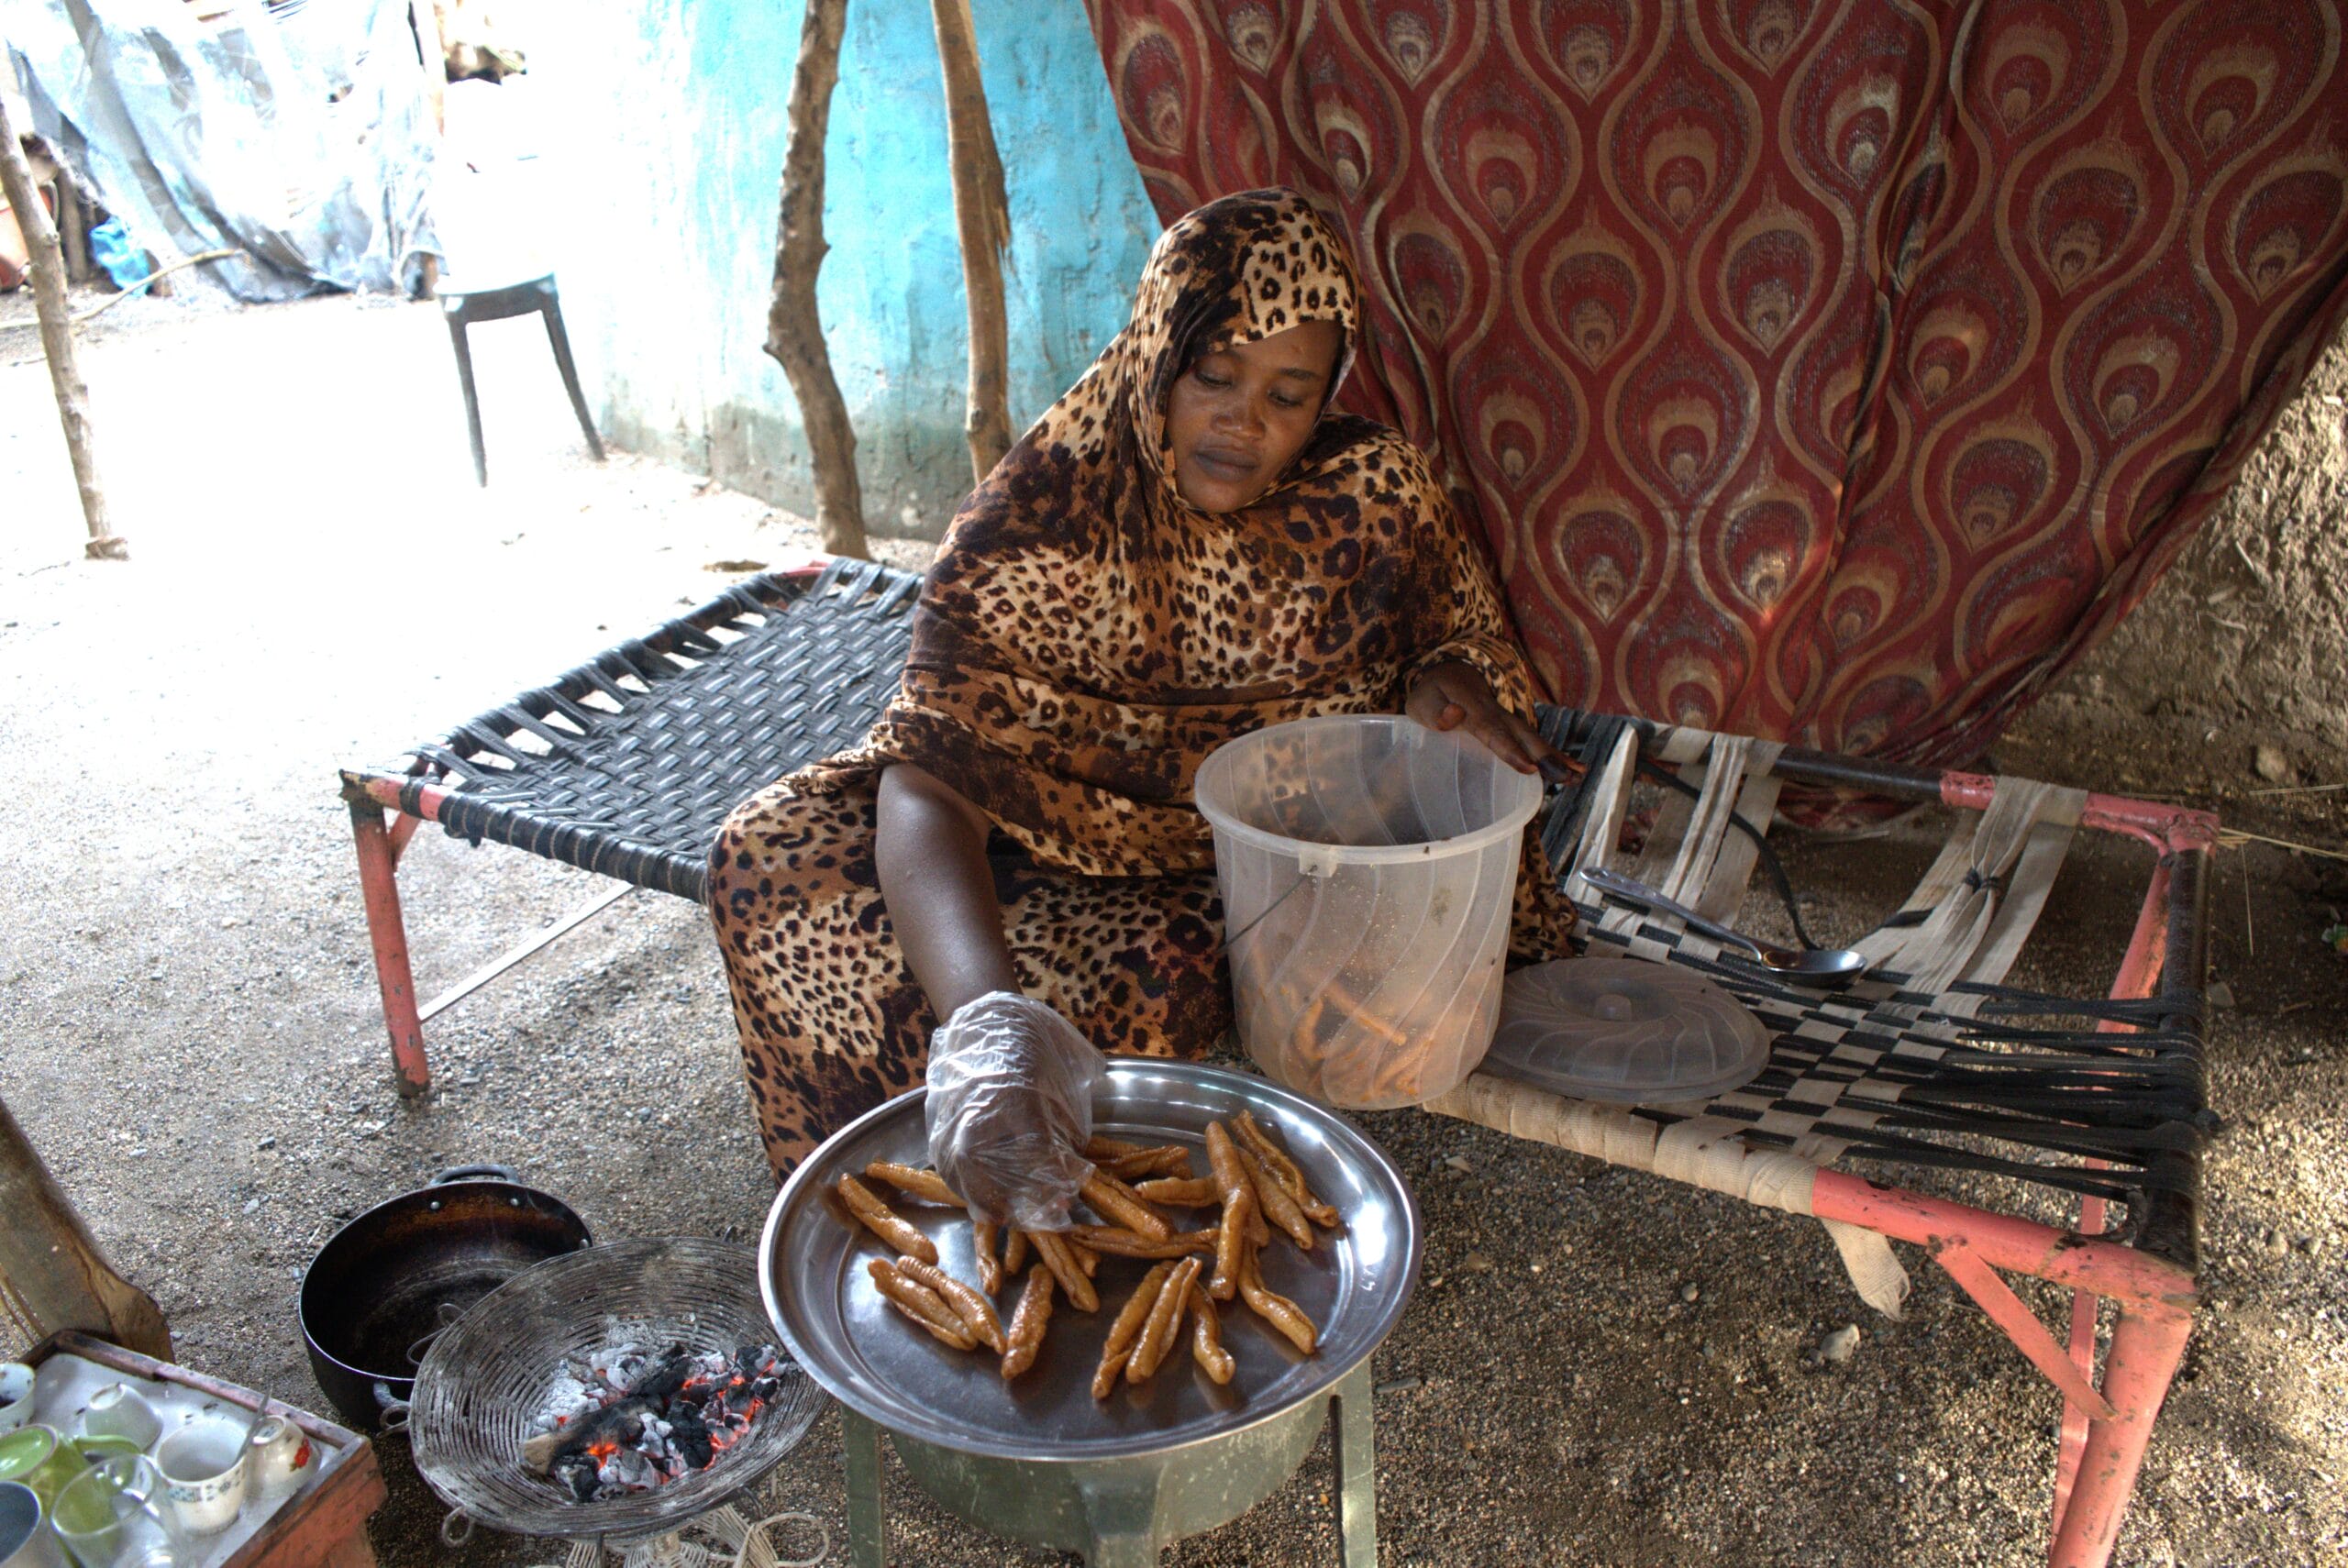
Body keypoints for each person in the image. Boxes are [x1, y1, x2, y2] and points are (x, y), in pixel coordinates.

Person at [709, 188, 1572, 1176]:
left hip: (1258, 864)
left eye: (1288, 395)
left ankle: (1092, 1215)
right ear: (1156, 354)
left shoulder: (1371, 495)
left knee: (1154, 975)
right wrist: (993, 1028)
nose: (1244, 422)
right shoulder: (1036, 514)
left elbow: (1461, 650)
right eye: (1214, 375)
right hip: (1040, 847)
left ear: (1327, 395)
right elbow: (930, 775)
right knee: (767, 856)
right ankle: (886, 1193)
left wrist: (1440, 681)